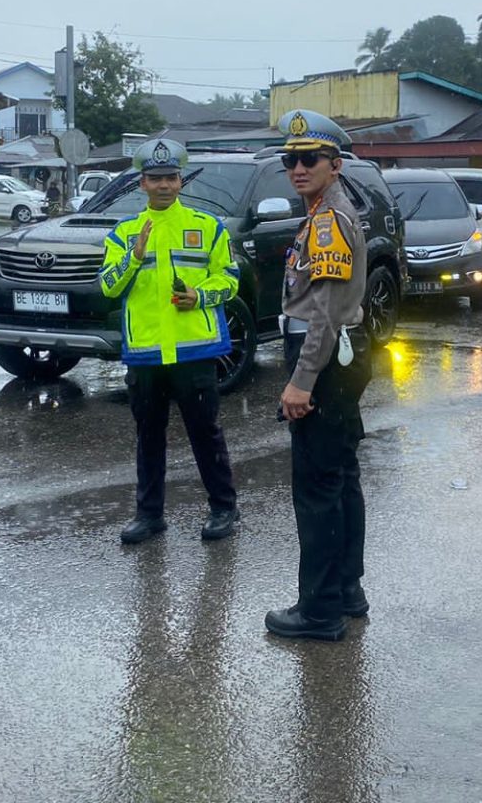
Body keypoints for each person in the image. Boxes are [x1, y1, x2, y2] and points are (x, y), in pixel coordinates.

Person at [99, 138, 240, 545]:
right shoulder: (123, 233)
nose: (164, 186)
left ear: (181, 181)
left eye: (171, 178)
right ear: (141, 183)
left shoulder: (208, 226)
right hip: (145, 353)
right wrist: (134, 257)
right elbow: (108, 287)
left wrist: (200, 296)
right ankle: (149, 515)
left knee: (205, 432)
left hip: (195, 348)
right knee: (149, 435)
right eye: (155, 179)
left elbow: (229, 279)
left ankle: (222, 507)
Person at [265, 109, 372, 642]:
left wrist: (302, 379)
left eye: (310, 159)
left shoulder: (329, 219)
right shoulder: (322, 213)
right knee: (341, 478)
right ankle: (347, 590)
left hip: (324, 359)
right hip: (340, 355)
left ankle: (320, 609)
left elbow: (326, 311)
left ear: (335, 164)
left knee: (318, 489)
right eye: (292, 160)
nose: (299, 168)